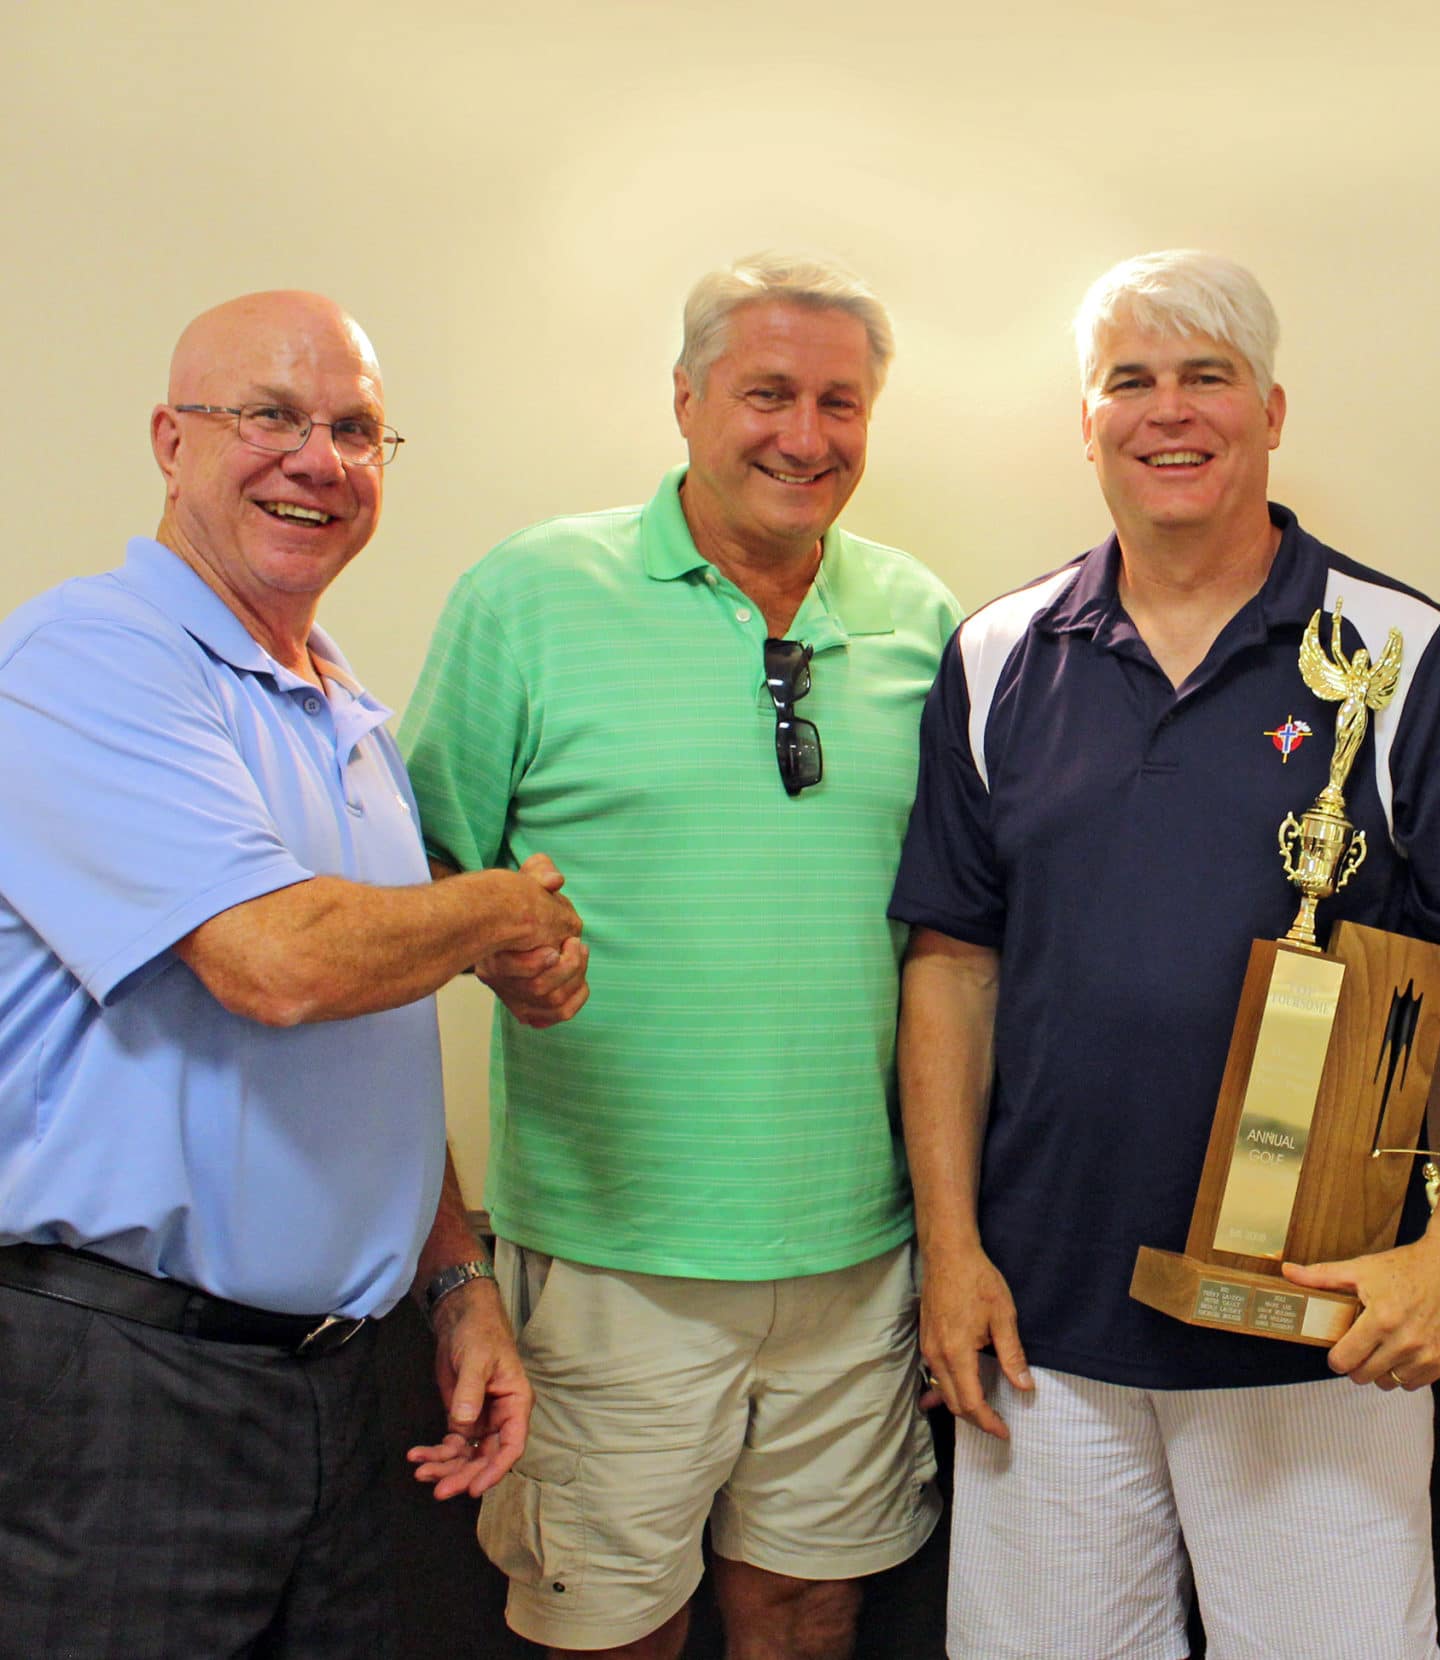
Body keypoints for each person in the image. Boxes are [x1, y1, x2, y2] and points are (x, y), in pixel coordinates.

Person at [889, 249, 1440, 1660]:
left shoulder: (1401, 652)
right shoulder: (999, 654)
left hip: (1320, 1327)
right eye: (1129, 382)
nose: (1169, 412)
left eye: (1206, 377)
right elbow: (952, 970)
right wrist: (951, 1250)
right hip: (1046, 1329)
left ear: (1270, 409)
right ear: (1086, 425)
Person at [400, 254, 959, 1660]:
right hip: (610, 1255)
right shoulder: (530, 594)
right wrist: (496, 946)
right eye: (768, 392)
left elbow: (960, 931)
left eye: (842, 402)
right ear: (686, 398)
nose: (805, 435)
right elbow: (416, 886)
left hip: (862, 1251)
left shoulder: (923, 620)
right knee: (609, 1631)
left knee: (809, 1612)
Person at [0, 290, 564, 1660]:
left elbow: (354, 1050)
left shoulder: (339, 707)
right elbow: (277, 966)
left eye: (357, 429)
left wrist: (454, 1281)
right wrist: (494, 907)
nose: (317, 459)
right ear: (169, 441)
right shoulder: (88, 661)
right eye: (270, 416)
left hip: (335, 1389)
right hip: (127, 1385)